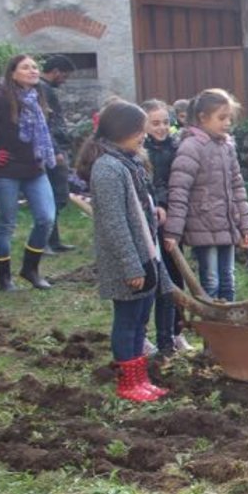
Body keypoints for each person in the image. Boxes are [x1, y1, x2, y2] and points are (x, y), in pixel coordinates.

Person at [77, 101, 173, 402]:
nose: (143, 135)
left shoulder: (128, 161)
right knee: (128, 321)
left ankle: (140, 378)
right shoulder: (107, 169)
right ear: (120, 131)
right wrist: (132, 266)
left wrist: (152, 210)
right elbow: (115, 224)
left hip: (144, 253)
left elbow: (137, 204)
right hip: (126, 261)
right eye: (138, 130)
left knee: (141, 319)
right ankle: (128, 383)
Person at [163, 89, 248, 302]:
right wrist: (173, 232)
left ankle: (229, 323)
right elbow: (179, 190)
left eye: (229, 118)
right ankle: (213, 323)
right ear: (203, 118)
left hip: (227, 223)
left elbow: (237, 186)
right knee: (211, 280)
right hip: (203, 224)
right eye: (221, 118)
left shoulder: (227, 146)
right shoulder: (191, 147)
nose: (227, 123)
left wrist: (246, 225)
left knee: (228, 279)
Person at [0, 54, 57, 291]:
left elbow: (44, 133)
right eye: (26, 67)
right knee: (7, 223)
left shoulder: (38, 97)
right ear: (12, 73)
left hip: (35, 168)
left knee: (46, 218)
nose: (33, 71)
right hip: (7, 170)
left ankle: (30, 269)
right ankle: (3, 279)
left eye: (35, 67)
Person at [142, 99, 188, 356]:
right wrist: (159, 204)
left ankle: (175, 332)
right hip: (153, 220)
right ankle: (151, 337)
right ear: (144, 124)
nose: (161, 128)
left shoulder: (177, 147)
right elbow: (149, 184)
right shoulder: (142, 151)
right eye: (155, 123)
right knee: (157, 280)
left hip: (175, 219)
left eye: (165, 123)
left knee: (176, 276)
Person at [40, 55, 76, 253]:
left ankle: (54, 241)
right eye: (65, 75)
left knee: (57, 197)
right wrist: (55, 151)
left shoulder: (46, 89)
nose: (65, 80)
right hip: (53, 153)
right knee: (55, 197)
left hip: (57, 149)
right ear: (55, 71)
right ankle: (43, 242)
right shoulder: (42, 90)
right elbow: (45, 125)